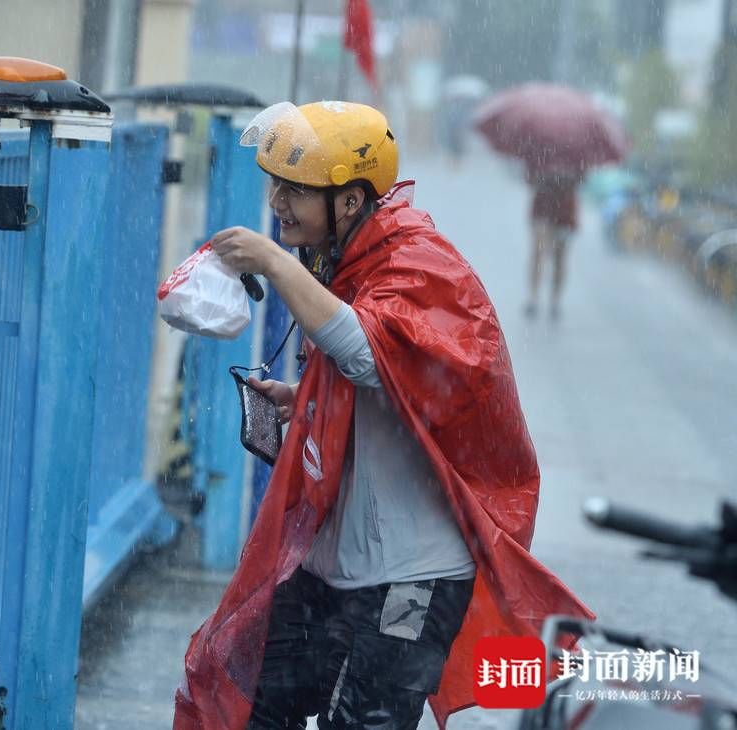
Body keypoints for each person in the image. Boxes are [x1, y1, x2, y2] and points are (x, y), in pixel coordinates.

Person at [174, 101, 593, 730]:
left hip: (413, 577)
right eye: (275, 186)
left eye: (295, 189)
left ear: (349, 200)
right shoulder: (341, 259)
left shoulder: (420, 264)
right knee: (250, 705)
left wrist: (272, 261)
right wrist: (307, 399)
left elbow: (371, 354)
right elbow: (375, 380)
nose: (277, 201)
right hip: (332, 564)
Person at [525, 167, 580, 320]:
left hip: (564, 211)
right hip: (545, 207)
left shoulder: (575, 151)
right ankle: (534, 297)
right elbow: (529, 177)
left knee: (559, 258)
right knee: (539, 253)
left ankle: (553, 300)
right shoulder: (541, 149)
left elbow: (581, 179)